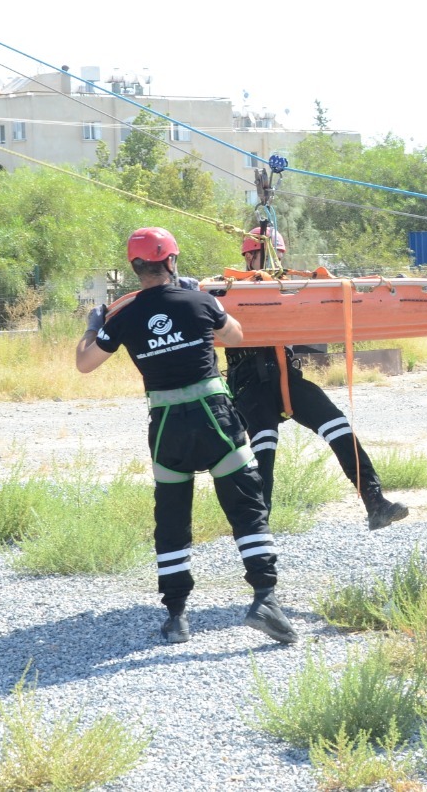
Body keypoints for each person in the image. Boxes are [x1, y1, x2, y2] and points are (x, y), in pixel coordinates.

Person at [76, 227, 297, 646]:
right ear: (172, 261)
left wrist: (93, 328)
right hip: (216, 420)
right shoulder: (198, 301)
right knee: (246, 507)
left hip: (167, 428)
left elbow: (85, 363)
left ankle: (176, 617)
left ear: (135, 268)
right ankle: (265, 598)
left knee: (172, 518)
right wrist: (205, 300)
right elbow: (235, 335)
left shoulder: (123, 318)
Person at [224, 226, 409, 532]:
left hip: (287, 378)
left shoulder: (290, 290)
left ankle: (375, 502)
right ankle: (257, 525)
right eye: (266, 255)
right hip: (250, 385)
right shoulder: (230, 290)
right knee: (264, 448)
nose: (274, 261)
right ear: (248, 257)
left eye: (277, 255)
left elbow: (326, 297)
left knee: (338, 425)